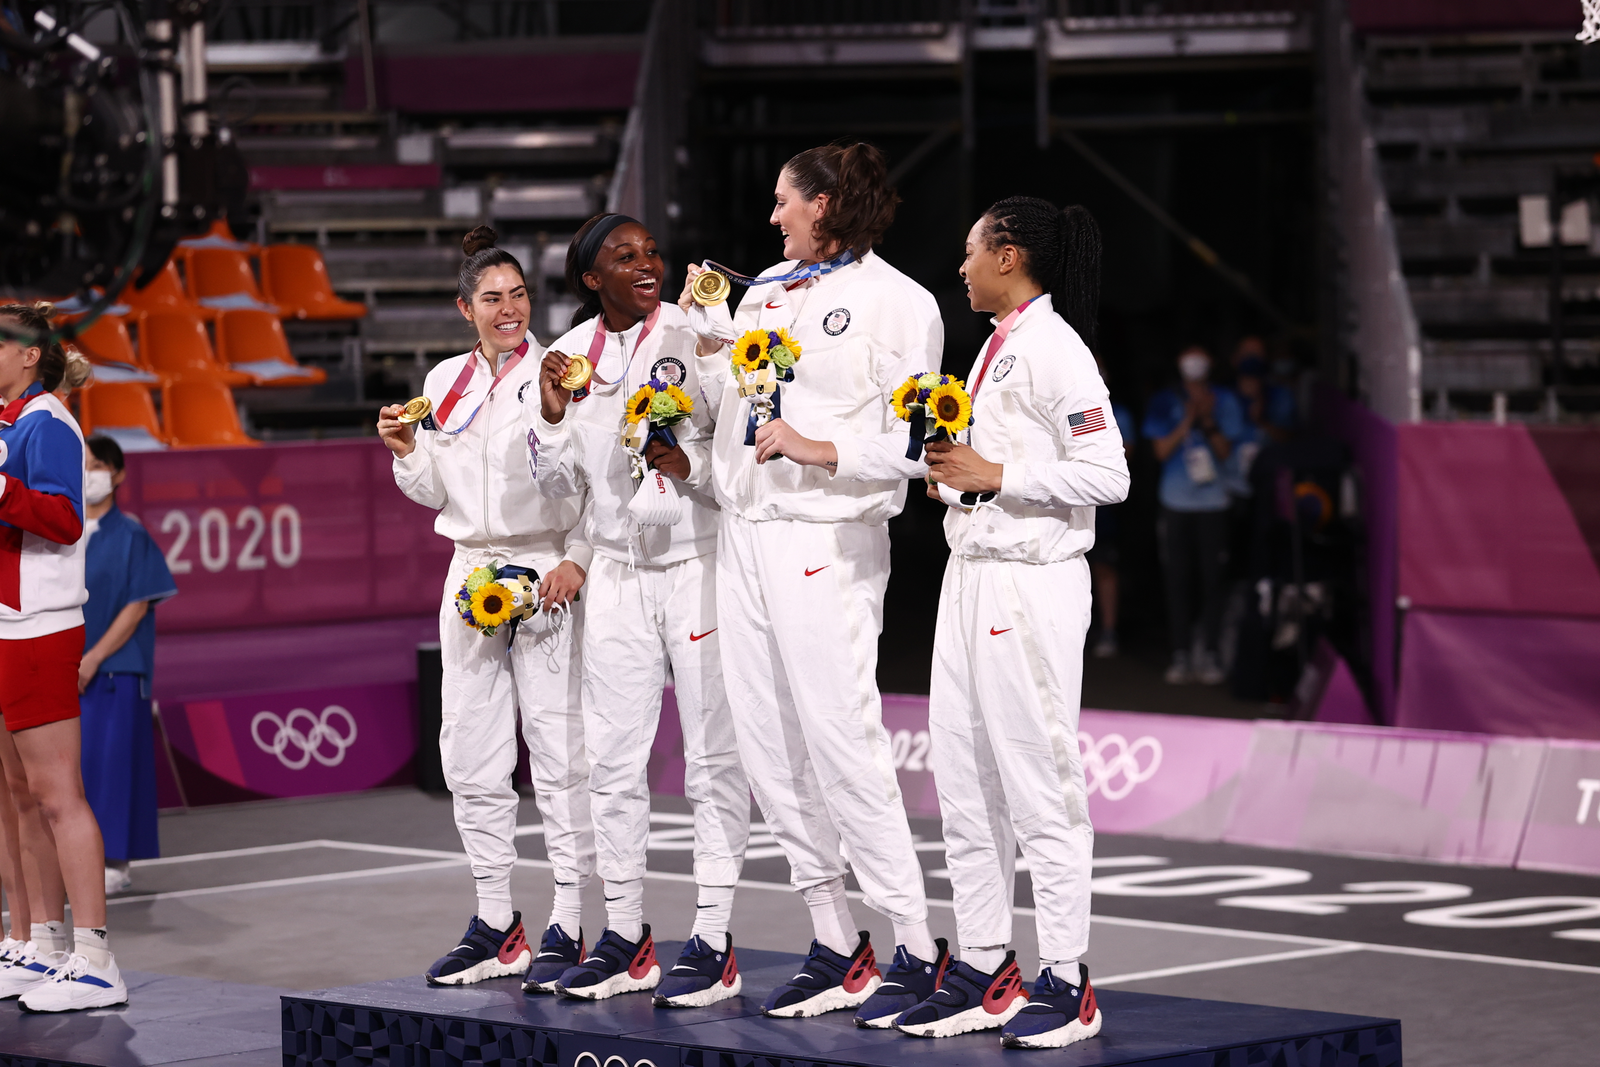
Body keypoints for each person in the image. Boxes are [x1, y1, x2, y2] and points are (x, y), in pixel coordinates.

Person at [679, 142, 946, 1025]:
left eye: (784, 202)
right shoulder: (762, 289)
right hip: (746, 535)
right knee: (767, 743)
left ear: (824, 205)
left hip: (826, 539)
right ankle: (837, 940)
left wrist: (821, 446)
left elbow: (922, 443)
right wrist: (706, 343)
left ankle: (915, 942)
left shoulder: (900, 302)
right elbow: (731, 409)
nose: (772, 217)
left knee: (840, 738)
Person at [878, 199, 1125, 1047]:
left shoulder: (1057, 350)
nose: (961, 267)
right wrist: (956, 479)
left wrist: (998, 471)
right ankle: (988, 965)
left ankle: (1068, 977)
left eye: (971, 252)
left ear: (1009, 256)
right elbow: (990, 472)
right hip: (970, 575)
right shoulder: (995, 345)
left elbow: (1109, 473)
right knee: (965, 779)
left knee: (1039, 784)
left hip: (1032, 584)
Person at [532, 214, 750, 1005]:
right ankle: (625, 933)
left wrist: (685, 464)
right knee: (613, 761)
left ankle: (714, 936)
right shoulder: (571, 356)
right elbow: (560, 488)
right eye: (625, 257)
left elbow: (739, 458)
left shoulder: (699, 334)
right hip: (619, 574)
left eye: (651, 251)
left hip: (698, 563)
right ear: (593, 278)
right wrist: (552, 412)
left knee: (713, 756)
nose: (647, 263)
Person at [378, 227, 595, 987]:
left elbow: (593, 481)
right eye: (493, 299)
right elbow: (437, 490)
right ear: (465, 306)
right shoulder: (443, 383)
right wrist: (408, 450)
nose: (509, 310)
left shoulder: (562, 372)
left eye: (519, 296)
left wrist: (577, 558)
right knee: (468, 749)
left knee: (560, 748)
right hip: (469, 569)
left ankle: (570, 921)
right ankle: (498, 920)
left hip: (544, 568)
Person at [0, 302, 125, 1011]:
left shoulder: (48, 421)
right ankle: (40, 942)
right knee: (17, 795)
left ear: (28, 355)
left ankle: (97, 956)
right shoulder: (10, 421)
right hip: (5, 624)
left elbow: (65, 516)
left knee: (57, 796)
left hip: (40, 625)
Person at [77, 434, 177, 894]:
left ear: (116, 474)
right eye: (82, 464)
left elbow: (138, 604)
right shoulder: (64, 534)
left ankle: (114, 862)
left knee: (113, 768)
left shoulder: (132, 534)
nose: (88, 472)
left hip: (116, 671)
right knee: (75, 772)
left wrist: (93, 658)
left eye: (97, 464)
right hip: (65, 671)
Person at [1143, 345, 1247, 685]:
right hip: (1175, 504)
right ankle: (1181, 653)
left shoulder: (1225, 400)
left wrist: (1207, 419)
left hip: (1214, 504)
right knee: (1177, 579)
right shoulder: (1164, 400)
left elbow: (1225, 449)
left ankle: (1212, 653)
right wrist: (1187, 418)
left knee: (1212, 579)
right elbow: (1160, 451)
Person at [1087, 355, 1135, 659]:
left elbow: (1122, 456)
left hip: (1102, 504)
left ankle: (1108, 631)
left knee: (1105, 568)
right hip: (1070, 499)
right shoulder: (1077, 411)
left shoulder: (1119, 414)